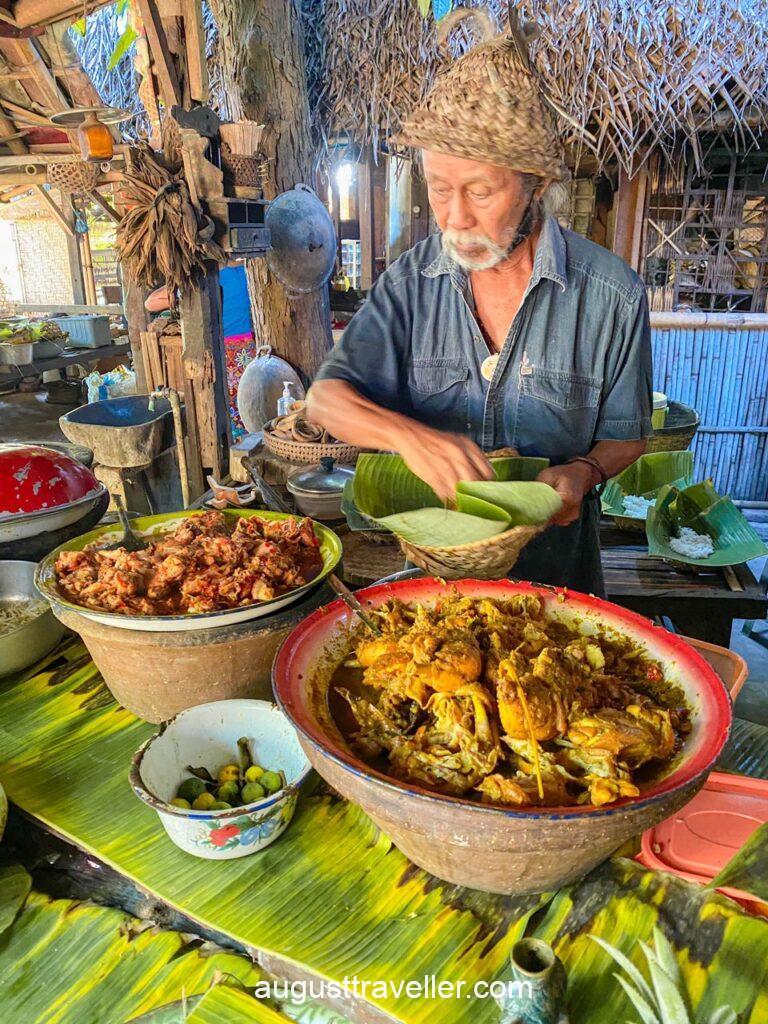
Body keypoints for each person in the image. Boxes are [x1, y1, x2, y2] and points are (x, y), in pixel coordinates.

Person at [306, 12, 651, 595]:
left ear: (536, 185)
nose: (455, 217)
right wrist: (410, 438)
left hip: (557, 581)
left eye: (481, 191)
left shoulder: (612, 295)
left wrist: (585, 471)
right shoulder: (410, 284)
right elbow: (324, 402)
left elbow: (626, 435)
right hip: (431, 584)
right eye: (439, 189)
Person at [145, 263, 257, 439]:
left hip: (215, 353)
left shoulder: (196, 279)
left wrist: (178, 281)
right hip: (245, 352)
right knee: (246, 406)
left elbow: (150, 303)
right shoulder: (246, 270)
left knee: (218, 410)